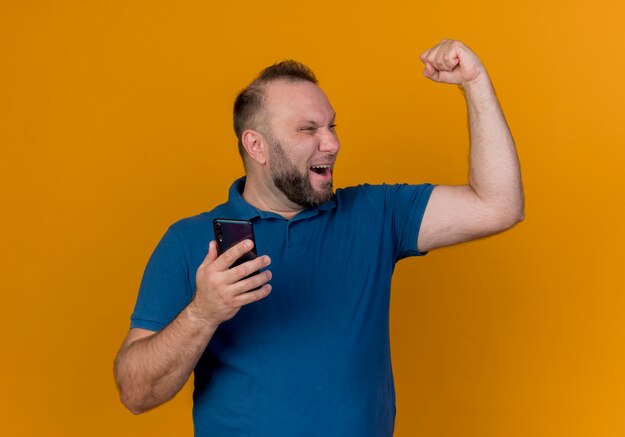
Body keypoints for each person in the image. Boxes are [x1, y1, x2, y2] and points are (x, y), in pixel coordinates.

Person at [114, 39, 524, 436]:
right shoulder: (190, 241)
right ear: (256, 145)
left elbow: (498, 204)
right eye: (308, 129)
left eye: (331, 126)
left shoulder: (376, 214)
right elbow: (136, 393)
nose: (332, 143)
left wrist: (475, 82)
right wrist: (203, 313)